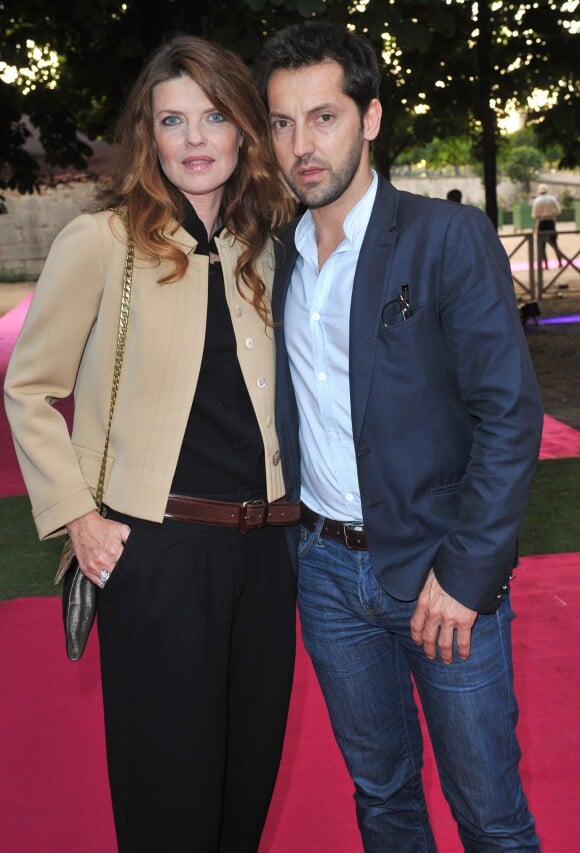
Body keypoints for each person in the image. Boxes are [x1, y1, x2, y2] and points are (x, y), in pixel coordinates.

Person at [4, 34, 299, 852]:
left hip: (268, 555)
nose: (196, 139)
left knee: (246, 789)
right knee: (170, 802)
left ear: (243, 128)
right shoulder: (102, 243)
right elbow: (29, 387)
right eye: (174, 120)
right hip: (157, 555)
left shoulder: (264, 250)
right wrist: (77, 518)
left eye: (213, 116)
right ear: (150, 136)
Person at [255, 21, 543, 850]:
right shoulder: (276, 257)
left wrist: (468, 573)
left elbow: (509, 414)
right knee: (381, 798)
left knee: (489, 814)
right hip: (325, 576)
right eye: (281, 122)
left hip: (440, 575)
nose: (301, 145)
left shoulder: (445, 237)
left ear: (370, 118)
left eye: (324, 117)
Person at [532, 183, 564, 268]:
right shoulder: (552, 199)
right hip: (551, 223)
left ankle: (546, 265)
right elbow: (558, 211)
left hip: (541, 223)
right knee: (554, 244)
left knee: (542, 246)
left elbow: (534, 215)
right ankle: (560, 262)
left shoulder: (536, 200)